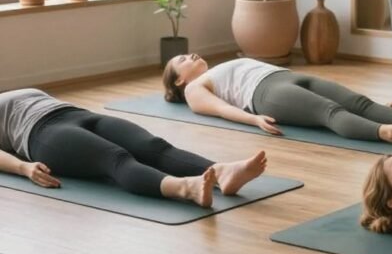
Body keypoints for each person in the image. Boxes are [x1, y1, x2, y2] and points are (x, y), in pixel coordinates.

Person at [0, 88, 267, 207]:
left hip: (75, 113)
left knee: (153, 146)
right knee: (115, 159)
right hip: (42, 134)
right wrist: (23, 168)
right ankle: (187, 188)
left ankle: (221, 174)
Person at [162, 55, 392, 147]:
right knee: (330, 112)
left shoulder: (214, 69)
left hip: (285, 75)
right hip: (266, 95)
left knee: (359, 101)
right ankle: (386, 133)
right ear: (178, 79)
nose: (191, 55)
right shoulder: (193, 90)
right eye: (182, 60)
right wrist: (254, 119)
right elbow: (222, 110)